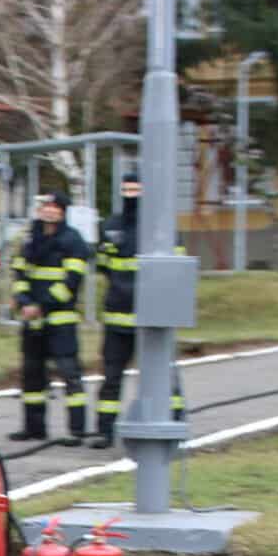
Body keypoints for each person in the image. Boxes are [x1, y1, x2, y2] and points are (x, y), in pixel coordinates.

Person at [94, 170, 186, 448]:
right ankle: (105, 431)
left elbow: (175, 269)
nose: (131, 195)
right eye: (127, 190)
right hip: (117, 317)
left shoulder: (162, 227)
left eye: (136, 190)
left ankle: (175, 423)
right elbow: (103, 264)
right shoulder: (111, 226)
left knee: (162, 374)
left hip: (152, 318)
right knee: (111, 376)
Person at [8, 191, 93, 444]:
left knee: (70, 375)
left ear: (63, 212)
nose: (49, 210)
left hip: (61, 321)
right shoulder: (30, 239)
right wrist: (24, 302)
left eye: (55, 207)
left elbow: (71, 283)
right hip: (33, 321)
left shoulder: (73, 240)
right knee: (32, 376)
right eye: (45, 206)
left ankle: (76, 431)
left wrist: (41, 306)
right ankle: (34, 428)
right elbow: (20, 275)